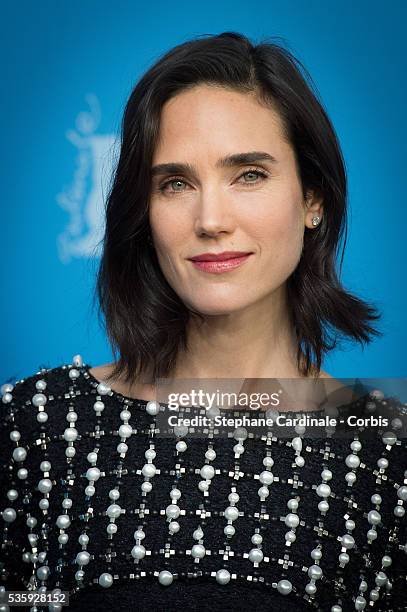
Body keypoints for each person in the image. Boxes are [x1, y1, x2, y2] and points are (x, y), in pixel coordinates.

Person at [1, 32, 406, 612]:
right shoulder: (35, 431)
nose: (211, 219)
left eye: (248, 174)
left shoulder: (385, 450)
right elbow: (19, 601)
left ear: (313, 197)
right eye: (175, 183)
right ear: (143, 211)